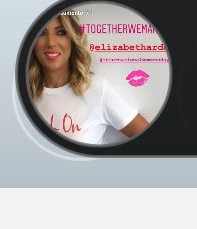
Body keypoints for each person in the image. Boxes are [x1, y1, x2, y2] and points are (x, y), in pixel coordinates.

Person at [28, 14, 150, 142]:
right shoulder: (21, 95)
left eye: (61, 32)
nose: (51, 43)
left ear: (73, 39)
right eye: (41, 33)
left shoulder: (98, 90)